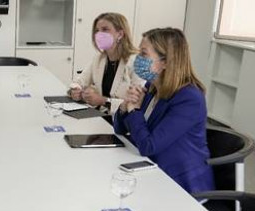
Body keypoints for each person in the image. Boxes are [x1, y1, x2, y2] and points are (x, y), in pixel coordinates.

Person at [113, 27, 214, 194]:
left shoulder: (190, 98)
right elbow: (120, 129)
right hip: (151, 170)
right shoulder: (151, 87)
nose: (138, 59)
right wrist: (125, 106)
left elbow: (148, 146)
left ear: (166, 62)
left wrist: (134, 112)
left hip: (182, 185)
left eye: (144, 54)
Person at [69, 12, 144, 114]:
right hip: (101, 116)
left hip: (124, 122)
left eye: (105, 29)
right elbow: (79, 81)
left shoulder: (137, 61)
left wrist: (103, 101)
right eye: (97, 31)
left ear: (120, 34)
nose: (99, 34)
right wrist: (76, 91)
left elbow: (138, 102)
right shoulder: (99, 58)